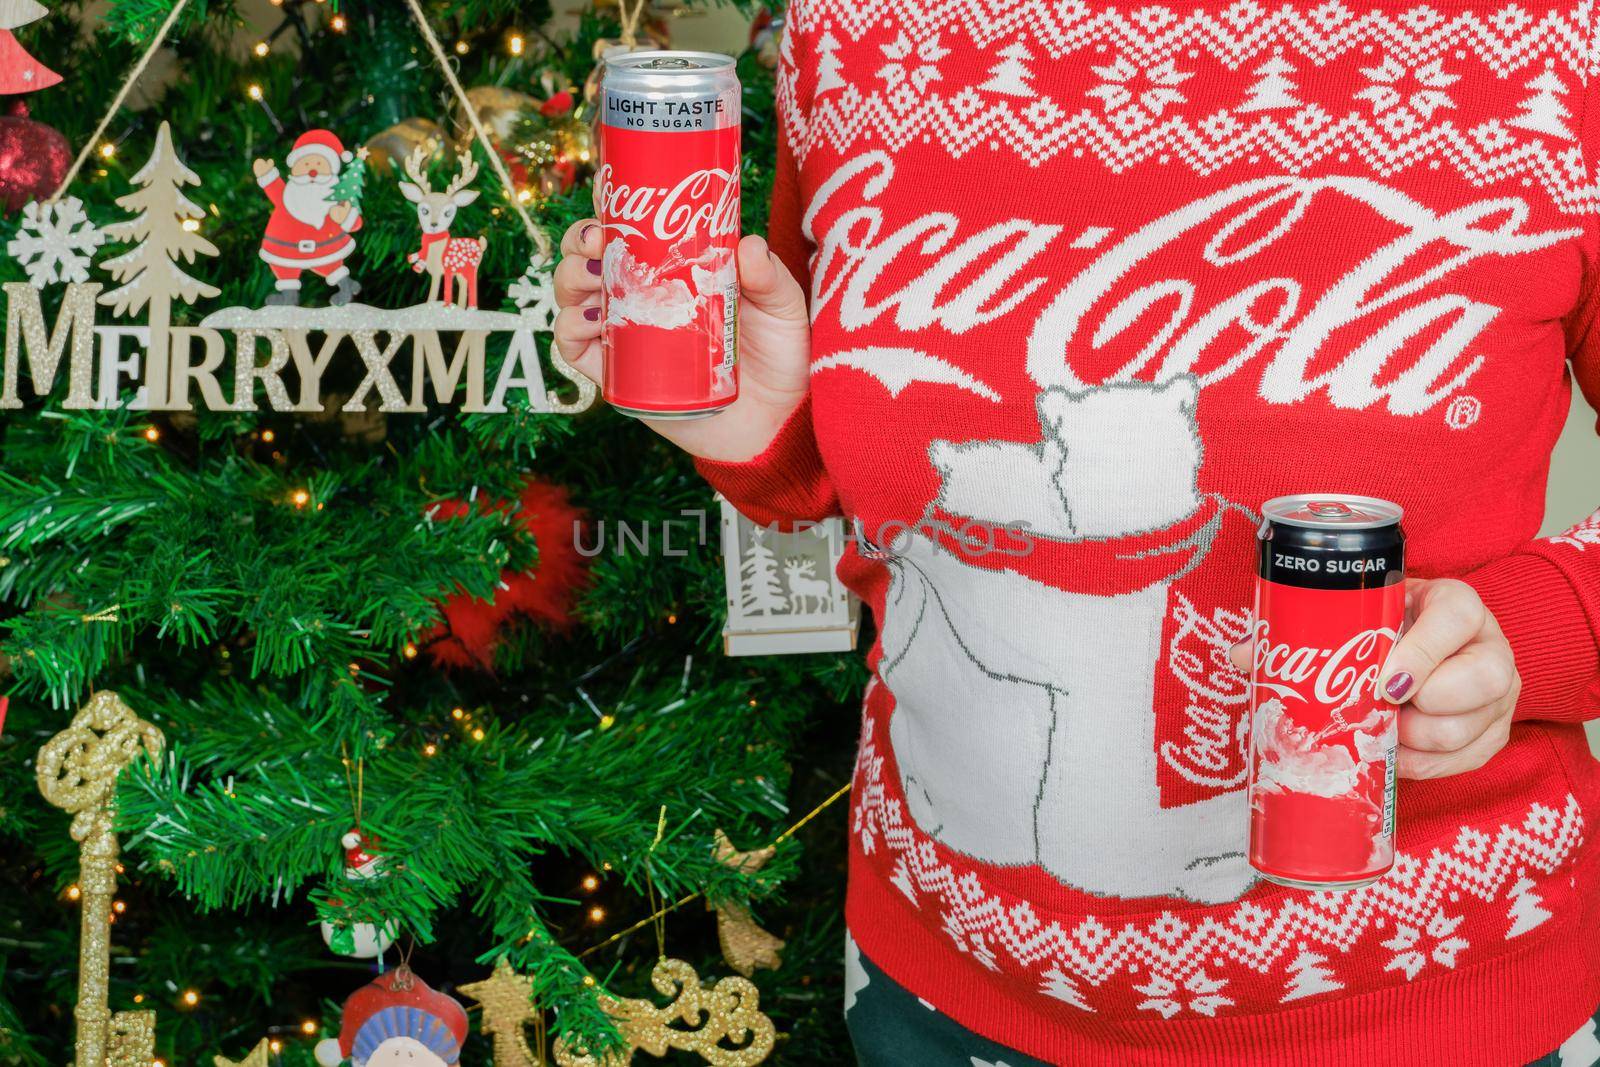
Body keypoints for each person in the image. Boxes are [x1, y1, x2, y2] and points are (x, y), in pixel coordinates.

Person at [552, 4, 1600, 1063]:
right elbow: (885, 479)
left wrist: (1526, 633)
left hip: (1427, 1012)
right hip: (940, 989)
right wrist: (756, 426)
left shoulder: (1562, 41)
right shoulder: (856, 26)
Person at [252, 129, 363, 307]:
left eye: (319, 164)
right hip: (286, 243)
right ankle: (289, 297)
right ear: (294, 166)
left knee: (330, 264)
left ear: (332, 170)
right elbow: (275, 191)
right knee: (283, 266)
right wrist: (266, 175)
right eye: (305, 164)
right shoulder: (289, 194)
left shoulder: (335, 197)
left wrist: (345, 218)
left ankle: (346, 286)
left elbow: (355, 222)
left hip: (324, 243)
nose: (312, 171)